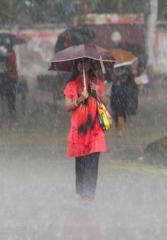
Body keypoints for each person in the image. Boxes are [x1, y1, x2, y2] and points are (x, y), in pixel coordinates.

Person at [64, 58, 107, 201]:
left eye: (86, 63)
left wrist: (98, 93)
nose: (83, 66)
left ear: (90, 65)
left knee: (92, 164)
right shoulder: (71, 85)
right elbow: (68, 106)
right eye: (80, 63)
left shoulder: (96, 83)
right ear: (76, 65)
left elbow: (105, 102)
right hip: (79, 131)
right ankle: (83, 194)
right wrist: (80, 99)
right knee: (81, 164)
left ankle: (90, 196)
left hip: (95, 130)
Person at [110, 66, 137, 137]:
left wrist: (122, 84)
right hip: (115, 94)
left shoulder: (127, 71)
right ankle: (118, 129)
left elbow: (131, 84)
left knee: (120, 113)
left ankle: (119, 130)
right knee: (116, 113)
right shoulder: (113, 69)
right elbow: (111, 80)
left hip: (122, 95)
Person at [0, 44, 19, 118]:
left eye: (7, 47)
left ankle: (11, 111)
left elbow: (10, 66)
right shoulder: (11, 54)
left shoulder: (10, 54)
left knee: (10, 96)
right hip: (12, 78)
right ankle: (11, 111)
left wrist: (6, 70)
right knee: (11, 95)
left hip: (10, 78)